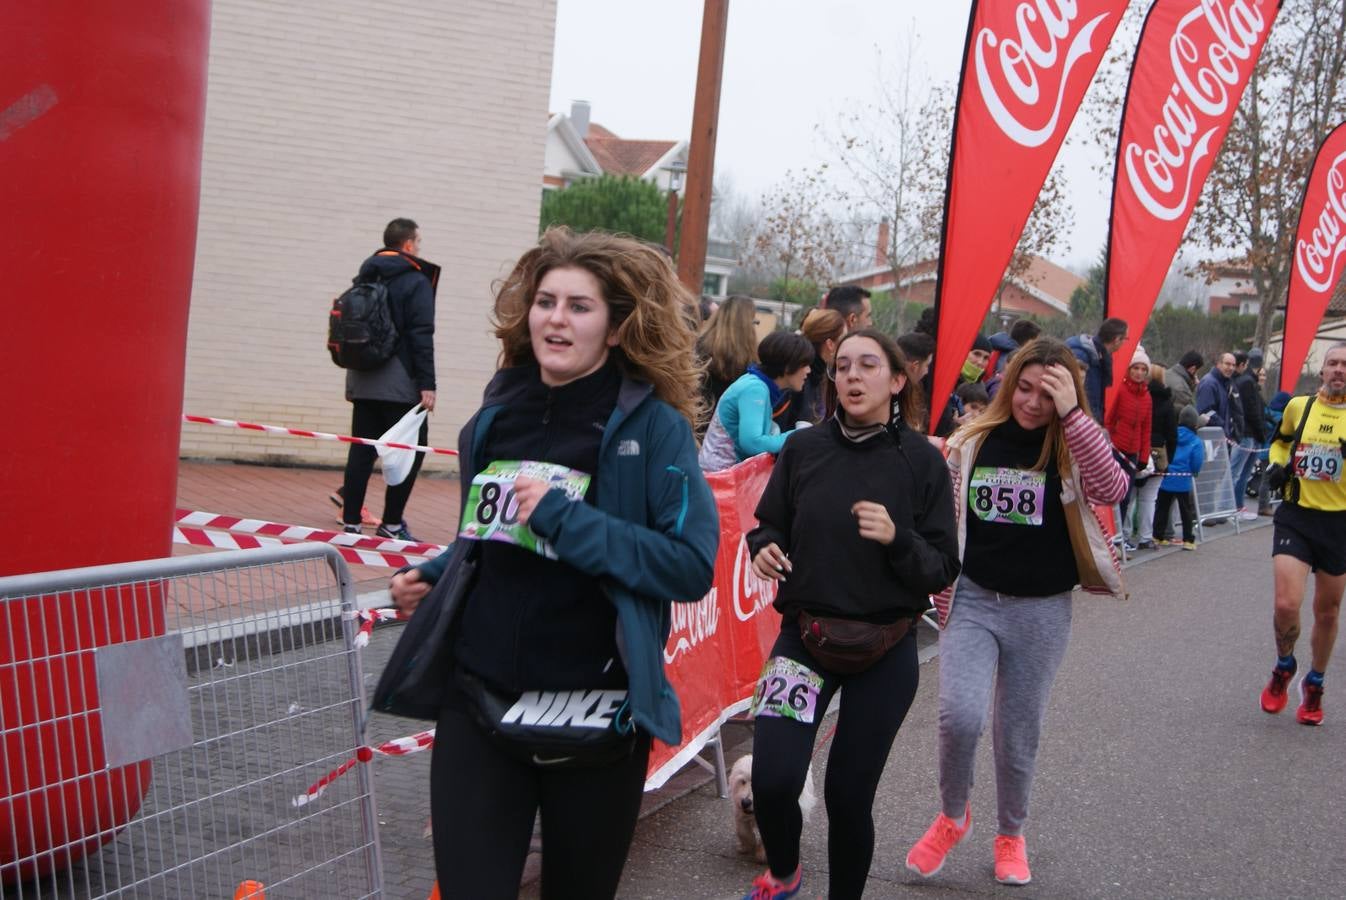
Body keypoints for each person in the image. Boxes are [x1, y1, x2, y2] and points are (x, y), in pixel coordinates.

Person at [386, 227, 719, 898]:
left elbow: (688, 565)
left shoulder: (653, 431)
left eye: (579, 306)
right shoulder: (495, 415)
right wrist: (438, 572)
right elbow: (491, 534)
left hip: (594, 722)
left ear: (618, 329)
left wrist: (566, 519)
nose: (556, 319)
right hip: (481, 706)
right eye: (546, 301)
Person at [743, 329, 960, 900]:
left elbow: (941, 567)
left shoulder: (922, 462)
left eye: (868, 365)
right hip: (803, 637)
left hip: (885, 649)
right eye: (842, 367)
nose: (853, 376)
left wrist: (897, 538)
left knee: (846, 794)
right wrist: (762, 545)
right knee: (772, 779)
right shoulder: (803, 449)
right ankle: (785, 872)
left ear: (897, 380)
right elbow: (768, 524)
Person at [906, 336, 1127, 887]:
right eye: (1024, 388)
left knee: (1017, 730)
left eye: (1047, 395)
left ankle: (1011, 834)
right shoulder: (973, 440)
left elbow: (1113, 487)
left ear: (1066, 397)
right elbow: (937, 514)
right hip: (975, 599)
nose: (1032, 403)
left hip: (1042, 609)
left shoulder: (1072, 443)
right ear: (1009, 385)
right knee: (959, 717)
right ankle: (953, 816)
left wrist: (1074, 416)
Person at [1258, 343, 1346, 726]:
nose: (1339, 370)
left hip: (1339, 522)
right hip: (1297, 515)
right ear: (1322, 370)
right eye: (1333, 363)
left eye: (1345, 365)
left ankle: (1315, 683)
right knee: (1285, 604)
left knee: (1326, 612)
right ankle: (1284, 666)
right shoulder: (1299, 407)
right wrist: (1277, 465)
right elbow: (1280, 441)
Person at [338, 217, 438, 540]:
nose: (419, 248)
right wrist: (427, 383)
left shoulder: (363, 276)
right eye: (418, 242)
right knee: (411, 450)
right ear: (408, 245)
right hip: (400, 384)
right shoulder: (416, 280)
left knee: (361, 450)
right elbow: (421, 333)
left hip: (364, 379)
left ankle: (351, 521)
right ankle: (392, 523)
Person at [700, 332, 814, 472]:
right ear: (788, 366)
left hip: (723, 476)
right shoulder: (755, 389)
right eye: (805, 364)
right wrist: (797, 435)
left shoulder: (757, 384)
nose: (808, 370)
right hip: (720, 480)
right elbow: (753, 443)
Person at [1106, 345, 1153, 549]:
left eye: (1143, 369)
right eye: (1136, 368)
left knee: (1125, 496)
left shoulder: (1147, 397)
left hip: (1132, 452)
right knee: (1108, 494)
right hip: (1115, 449)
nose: (1139, 373)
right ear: (1129, 369)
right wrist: (1107, 444)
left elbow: (1146, 428)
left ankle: (1118, 538)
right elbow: (1108, 419)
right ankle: (1106, 536)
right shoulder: (1120, 391)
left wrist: (1144, 455)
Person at [696, 295, 759, 432]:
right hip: (728, 436)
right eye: (754, 322)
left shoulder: (698, 348)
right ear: (746, 325)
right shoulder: (748, 362)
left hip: (697, 426)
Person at [1133, 363, 1178, 550]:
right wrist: (1170, 460)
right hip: (1159, 453)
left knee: (1131, 496)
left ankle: (1125, 535)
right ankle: (1145, 536)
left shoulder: (1140, 397)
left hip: (1137, 449)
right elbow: (1172, 434)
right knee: (1149, 498)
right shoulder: (1167, 403)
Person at [778, 307, 845, 427]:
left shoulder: (815, 371)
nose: (846, 345)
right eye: (843, 339)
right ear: (830, 344)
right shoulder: (802, 376)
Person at [1154, 406, 1204, 549]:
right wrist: (1194, 471)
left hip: (1167, 476)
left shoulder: (1172, 435)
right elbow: (1197, 460)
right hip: (1183, 480)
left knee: (1162, 508)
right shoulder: (1195, 441)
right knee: (1185, 511)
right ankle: (1188, 539)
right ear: (1195, 424)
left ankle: (1158, 535)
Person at [1066, 317, 1128, 423]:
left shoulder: (1101, 357)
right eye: (1125, 339)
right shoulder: (1083, 355)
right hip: (1078, 424)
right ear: (1117, 340)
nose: (1124, 343)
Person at [934, 334, 994, 438]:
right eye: (976, 354)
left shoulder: (981, 386)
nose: (980, 362)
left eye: (986, 358)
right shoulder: (945, 381)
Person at [1231, 351, 1266, 520]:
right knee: (1238, 472)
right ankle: (1234, 506)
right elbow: (1253, 411)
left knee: (1241, 472)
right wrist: (1261, 433)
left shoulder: (1243, 381)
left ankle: (1237, 505)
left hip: (1248, 432)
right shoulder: (1248, 383)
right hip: (1249, 433)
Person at [1165, 350, 1203, 417]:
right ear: (1192, 369)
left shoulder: (1166, 373)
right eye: (1197, 372)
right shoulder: (1182, 389)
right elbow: (1191, 416)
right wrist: (1203, 420)